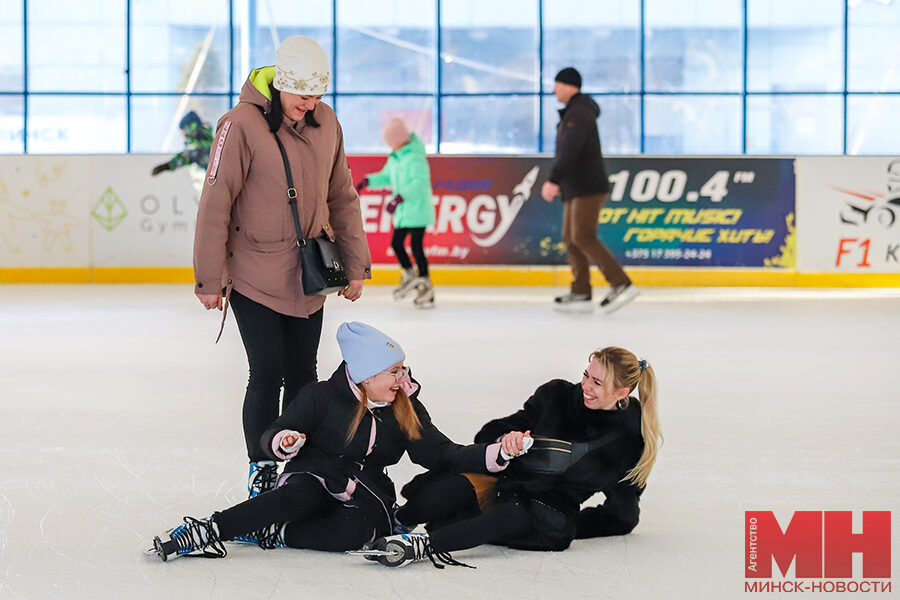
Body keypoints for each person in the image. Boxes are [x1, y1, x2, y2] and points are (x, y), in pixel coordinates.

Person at [146, 322, 512, 562]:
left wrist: (496, 453)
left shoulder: (405, 406)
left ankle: (278, 533)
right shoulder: (321, 396)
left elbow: (438, 452)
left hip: (366, 488)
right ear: (366, 376)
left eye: (403, 369)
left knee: (358, 534)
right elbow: (277, 430)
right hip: (312, 474)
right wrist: (284, 441)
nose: (403, 379)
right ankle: (207, 530)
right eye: (393, 372)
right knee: (297, 497)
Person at [192, 36, 371, 499]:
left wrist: (355, 265)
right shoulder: (240, 125)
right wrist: (210, 278)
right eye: (301, 95)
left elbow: (342, 197)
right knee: (267, 372)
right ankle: (262, 467)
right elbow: (215, 203)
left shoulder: (326, 122)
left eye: (317, 96)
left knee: (304, 374)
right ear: (280, 84)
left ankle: (294, 462)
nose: (309, 104)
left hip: (309, 274)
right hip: (254, 273)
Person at [357, 346, 662, 568]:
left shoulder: (628, 439)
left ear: (622, 393)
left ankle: (420, 548)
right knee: (454, 485)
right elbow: (491, 432)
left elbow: (622, 516)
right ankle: (400, 521)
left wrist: (571, 525)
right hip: (503, 484)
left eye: (597, 383)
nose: (585, 386)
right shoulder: (557, 395)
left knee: (516, 511)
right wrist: (506, 440)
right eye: (586, 375)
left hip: (544, 514)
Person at [541, 67, 639, 315]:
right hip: (576, 187)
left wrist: (553, 180)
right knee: (570, 238)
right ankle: (581, 291)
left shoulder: (579, 113)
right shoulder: (575, 112)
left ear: (570, 86)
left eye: (558, 85)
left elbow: (570, 151)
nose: (554, 91)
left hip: (588, 187)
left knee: (583, 236)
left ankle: (621, 283)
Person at [356, 119, 436, 309]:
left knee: (416, 246)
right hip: (405, 212)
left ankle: (425, 283)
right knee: (397, 244)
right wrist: (368, 181)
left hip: (417, 209)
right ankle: (411, 275)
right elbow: (386, 176)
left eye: (391, 141)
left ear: (399, 139)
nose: (389, 144)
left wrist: (399, 198)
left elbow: (419, 183)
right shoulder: (396, 157)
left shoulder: (415, 157)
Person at [150, 111, 214, 176]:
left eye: (183, 129)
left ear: (190, 127)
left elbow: (187, 156)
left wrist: (168, 165)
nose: (182, 134)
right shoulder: (196, 142)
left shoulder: (200, 141)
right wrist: (167, 166)